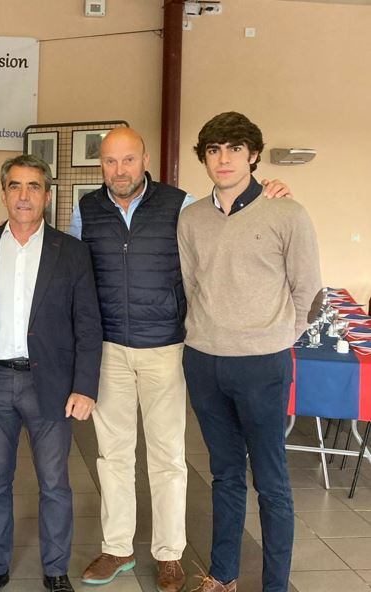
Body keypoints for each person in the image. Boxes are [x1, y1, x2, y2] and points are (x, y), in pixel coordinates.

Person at [70, 127, 291, 592]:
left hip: (167, 346)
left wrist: (269, 190)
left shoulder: (181, 204)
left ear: (144, 158)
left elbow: (226, 217)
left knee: (168, 455)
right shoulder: (85, 209)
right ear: (101, 166)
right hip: (109, 349)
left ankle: (169, 553)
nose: (119, 170)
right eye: (110, 162)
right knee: (113, 455)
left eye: (128, 159)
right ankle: (118, 547)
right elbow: (75, 273)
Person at [178, 112, 321, 592]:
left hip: (263, 363)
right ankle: (223, 576)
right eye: (214, 150)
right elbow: (190, 284)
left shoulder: (288, 213)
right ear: (205, 158)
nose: (224, 159)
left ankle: (275, 585)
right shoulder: (192, 217)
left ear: (253, 155)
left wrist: (277, 336)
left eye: (234, 149)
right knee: (224, 474)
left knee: (272, 482)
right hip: (203, 359)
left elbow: (307, 290)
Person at [0, 155, 103, 592]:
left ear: (47, 195)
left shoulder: (73, 251)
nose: (24, 195)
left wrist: (85, 386)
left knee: (55, 484)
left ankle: (56, 569)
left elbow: (88, 323)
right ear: (4, 192)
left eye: (33, 187)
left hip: (51, 385)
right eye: (15, 186)